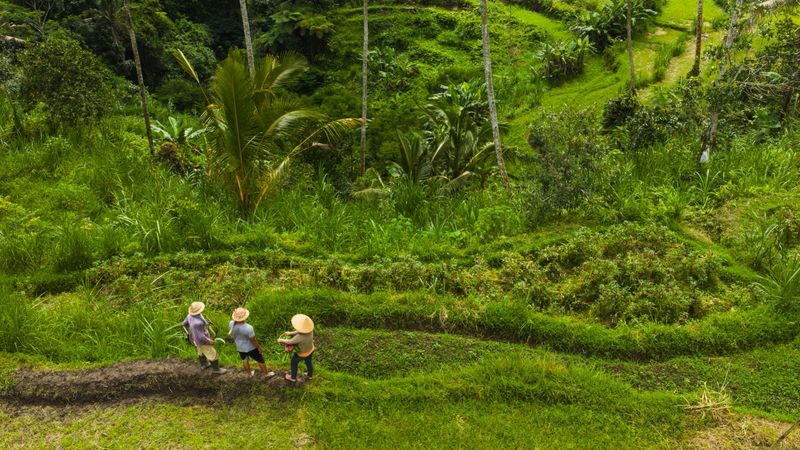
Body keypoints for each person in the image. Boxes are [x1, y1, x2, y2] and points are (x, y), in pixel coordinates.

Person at [182, 301, 227, 374]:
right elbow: (201, 336)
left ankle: (204, 364)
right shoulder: (197, 323)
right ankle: (216, 369)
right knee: (212, 353)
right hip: (202, 341)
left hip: (194, 339)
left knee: (200, 351)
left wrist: (192, 331)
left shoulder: (189, 316)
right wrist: (208, 340)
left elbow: (184, 324)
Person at [229, 307, 275, 378]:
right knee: (260, 360)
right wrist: (259, 347)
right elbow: (253, 340)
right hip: (251, 348)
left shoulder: (231, 323)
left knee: (244, 360)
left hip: (240, 347)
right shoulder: (248, 328)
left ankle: (249, 374)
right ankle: (266, 374)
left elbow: (234, 324)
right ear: (245, 317)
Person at [277, 314, 315, 382]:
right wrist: (290, 333)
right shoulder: (309, 330)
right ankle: (310, 375)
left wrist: (281, 340)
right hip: (310, 349)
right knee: (308, 362)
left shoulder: (299, 337)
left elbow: (290, 342)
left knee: (293, 362)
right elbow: (300, 331)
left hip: (303, 353)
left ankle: (293, 377)